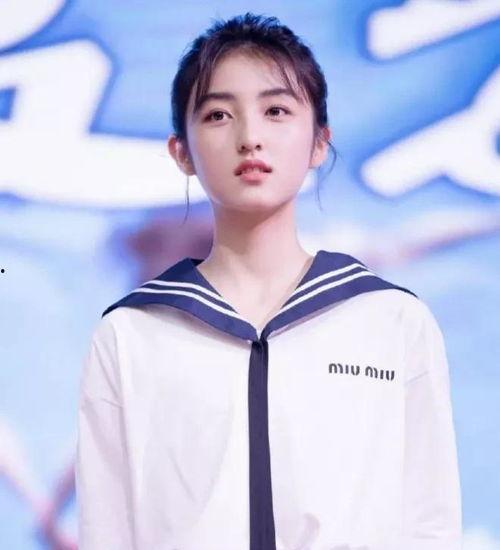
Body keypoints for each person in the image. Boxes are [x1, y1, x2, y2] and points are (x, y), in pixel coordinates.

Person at [75, 12, 462, 550]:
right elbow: (107, 530)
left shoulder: (392, 320)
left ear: (319, 141)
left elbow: (431, 527)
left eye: (276, 110)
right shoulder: (132, 334)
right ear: (181, 152)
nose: (250, 138)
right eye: (218, 115)